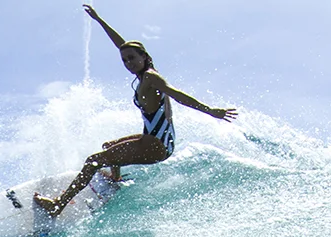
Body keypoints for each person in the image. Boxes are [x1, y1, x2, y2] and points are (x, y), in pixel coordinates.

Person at [34, 5, 238, 218]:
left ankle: (57, 206)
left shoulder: (151, 77)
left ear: (144, 56)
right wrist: (99, 20)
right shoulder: (146, 74)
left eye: (132, 58)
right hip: (158, 141)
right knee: (108, 147)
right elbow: (121, 44)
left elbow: (177, 95)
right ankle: (116, 179)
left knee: (93, 161)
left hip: (155, 145)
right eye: (124, 60)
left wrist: (211, 111)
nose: (128, 63)